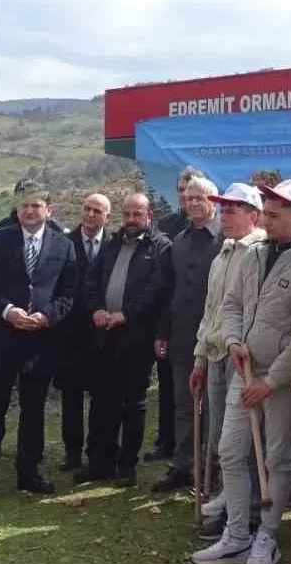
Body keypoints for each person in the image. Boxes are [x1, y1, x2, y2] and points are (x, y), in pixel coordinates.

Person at [193, 179, 291, 564]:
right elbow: (232, 304)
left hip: (280, 381)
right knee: (231, 450)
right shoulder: (254, 253)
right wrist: (233, 340)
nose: (266, 219)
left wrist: (273, 380)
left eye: (275, 214)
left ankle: (267, 535)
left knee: (277, 457)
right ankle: (236, 535)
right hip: (244, 371)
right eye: (265, 212)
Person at [0, 182, 76, 501]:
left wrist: (47, 316)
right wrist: (7, 310)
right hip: (2, 339)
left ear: (48, 210)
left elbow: (68, 293)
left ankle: (29, 473)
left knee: (33, 411)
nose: (29, 210)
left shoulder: (63, 245)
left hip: (40, 342)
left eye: (36, 205)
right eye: (24, 205)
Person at [79, 193, 172, 487]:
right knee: (102, 401)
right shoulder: (114, 241)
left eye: (137, 214)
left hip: (137, 338)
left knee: (133, 403)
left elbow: (156, 290)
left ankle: (127, 465)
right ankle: (100, 463)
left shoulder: (160, 247)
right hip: (104, 334)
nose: (131, 220)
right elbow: (92, 279)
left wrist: (126, 315)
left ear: (149, 215)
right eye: (127, 214)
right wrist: (95, 309)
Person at [190, 183, 266, 538]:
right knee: (221, 436)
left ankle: (248, 513)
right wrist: (199, 358)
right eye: (223, 209)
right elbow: (210, 311)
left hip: (243, 358)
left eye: (233, 210)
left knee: (244, 441)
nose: (225, 216)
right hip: (216, 354)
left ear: (254, 215)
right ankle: (228, 502)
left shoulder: (259, 253)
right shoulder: (222, 255)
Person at [156, 177, 222, 493]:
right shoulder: (179, 241)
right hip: (183, 336)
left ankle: (211, 471)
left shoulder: (225, 240)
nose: (193, 203)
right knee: (184, 405)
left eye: (200, 197)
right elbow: (169, 290)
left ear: (214, 200)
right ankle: (184, 466)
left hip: (216, 339)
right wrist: (163, 333)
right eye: (189, 197)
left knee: (213, 409)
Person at [57, 193, 110, 471]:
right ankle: (72, 451)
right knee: (71, 396)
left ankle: (97, 449)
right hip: (71, 333)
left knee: (102, 395)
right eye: (87, 209)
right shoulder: (64, 243)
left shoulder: (114, 245)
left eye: (96, 211)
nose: (90, 215)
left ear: (106, 217)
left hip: (103, 333)